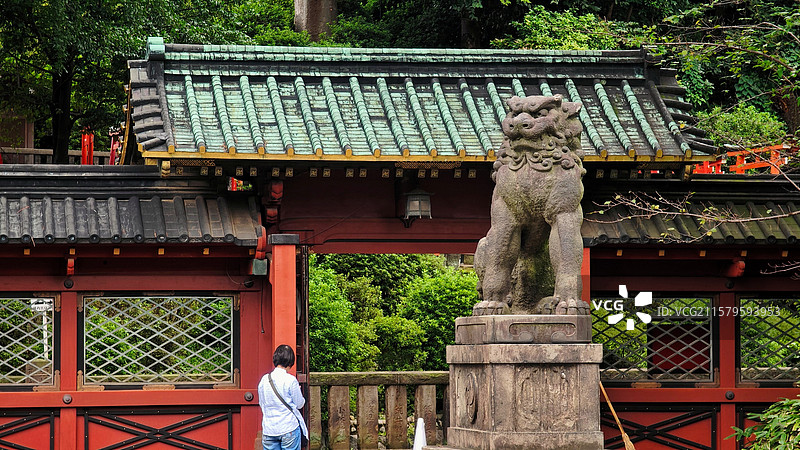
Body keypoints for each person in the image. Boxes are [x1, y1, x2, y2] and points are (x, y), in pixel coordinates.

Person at [258, 344, 309, 450]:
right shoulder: (290, 380)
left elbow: (262, 404)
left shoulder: (264, 379)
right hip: (288, 427)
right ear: (290, 362)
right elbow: (300, 404)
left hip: (269, 429)